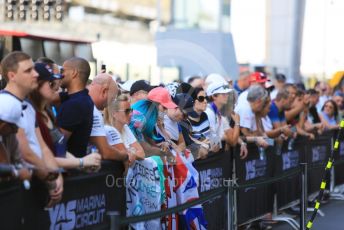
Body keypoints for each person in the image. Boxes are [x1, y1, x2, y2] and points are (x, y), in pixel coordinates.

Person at [1, 51, 63, 207]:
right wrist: (50, 178)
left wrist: (56, 177)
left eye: (34, 69)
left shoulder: (27, 106)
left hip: (31, 188)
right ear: (12, 75)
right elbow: (23, 151)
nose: (35, 74)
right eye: (28, 71)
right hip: (13, 192)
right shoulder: (6, 104)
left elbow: (42, 146)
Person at [30, 62, 101, 170]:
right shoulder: (29, 113)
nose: (56, 86)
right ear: (36, 85)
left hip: (59, 173)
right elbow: (42, 154)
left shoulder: (47, 111)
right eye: (51, 83)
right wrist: (81, 162)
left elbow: (60, 147)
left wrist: (81, 163)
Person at [56, 57, 94, 158]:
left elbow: (58, 142)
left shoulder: (75, 104)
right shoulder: (84, 98)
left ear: (74, 73)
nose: (60, 75)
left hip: (69, 168)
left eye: (62, 71)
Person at [87, 73, 130, 162]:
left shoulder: (82, 101)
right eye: (113, 98)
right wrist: (126, 156)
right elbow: (106, 152)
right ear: (104, 91)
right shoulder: (92, 110)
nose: (110, 104)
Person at [0, 93, 32, 181]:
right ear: (3, 125)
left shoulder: (9, 135)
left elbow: (19, 161)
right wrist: (16, 173)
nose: (16, 130)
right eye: (14, 126)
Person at [104, 94, 145, 160]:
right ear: (114, 113)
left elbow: (142, 153)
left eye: (131, 110)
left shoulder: (125, 127)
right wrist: (132, 152)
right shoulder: (108, 130)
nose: (131, 114)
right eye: (127, 111)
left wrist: (132, 154)